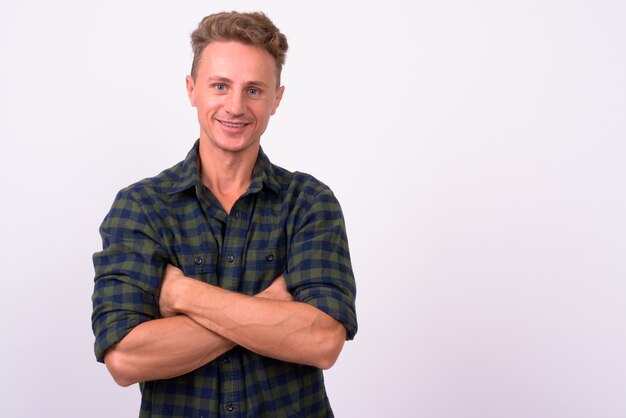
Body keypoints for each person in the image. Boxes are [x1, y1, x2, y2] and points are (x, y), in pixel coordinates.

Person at [91, 11, 357, 418]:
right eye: (220, 85)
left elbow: (321, 342)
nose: (235, 106)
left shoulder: (308, 203)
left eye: (254, 90)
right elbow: (126, 359)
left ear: (276, 100)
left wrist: (183, 295)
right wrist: (271, 308)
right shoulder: (141, 207)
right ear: (192, 89)